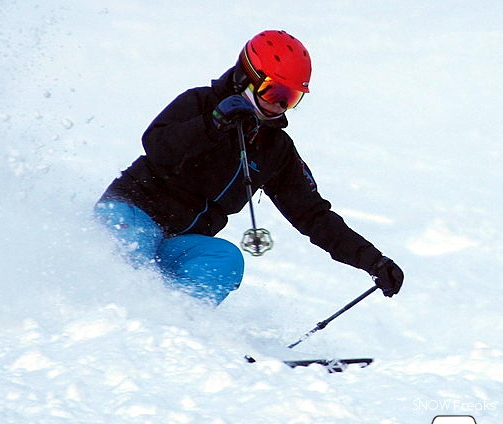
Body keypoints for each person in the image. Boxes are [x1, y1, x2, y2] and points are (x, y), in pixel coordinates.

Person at [94, 30, 404, 305]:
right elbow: (157, 145)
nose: (279, 106)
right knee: (132, 251)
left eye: (290, 98)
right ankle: (111, 322)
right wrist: (212, 125)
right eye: (274, 93)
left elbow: (312, 215)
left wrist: (373, 261)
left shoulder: (275, 149)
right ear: (246, 77)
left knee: (224, 260)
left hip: (179, 244)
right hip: (131, 216)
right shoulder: (201, 104)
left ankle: (175, 332)